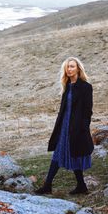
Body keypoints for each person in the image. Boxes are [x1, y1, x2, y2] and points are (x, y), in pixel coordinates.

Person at [35, 57, 94, 195]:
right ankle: (48, 185)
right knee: (58, 153)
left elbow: (87, 111)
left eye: (72, 66)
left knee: (74, 154)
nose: (69, 69)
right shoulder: (67, 86)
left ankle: (80, 186)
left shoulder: (86, 87)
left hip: (77, 128)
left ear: (78, 68)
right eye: (67, 67)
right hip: (64, 126)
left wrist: (83, 128)